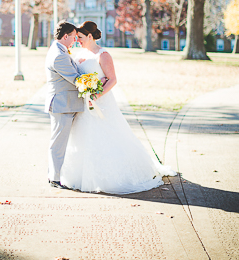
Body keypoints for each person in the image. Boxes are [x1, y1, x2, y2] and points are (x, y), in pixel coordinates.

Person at [59, 21, 176, 194]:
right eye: (76, 38)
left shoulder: (103, 54)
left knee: (106, 136)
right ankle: (79, 175)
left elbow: (112, 79)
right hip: (82, 104)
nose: (77, 41)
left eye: (81, 38)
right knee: (81, 136)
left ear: (90, 36)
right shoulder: (79, 54)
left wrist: (96, 95)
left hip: (101, 102)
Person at [44, 21, 85, 189]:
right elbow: (75, 78)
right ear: (66, 36)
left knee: (59, 141)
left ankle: (54, 175)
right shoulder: (59, 55)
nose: (75, 40)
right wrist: (94, 83)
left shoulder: (60, 50)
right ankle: (54, 178)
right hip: (62, 105)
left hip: (67, 104)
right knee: (58, 143)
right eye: (74, 37)